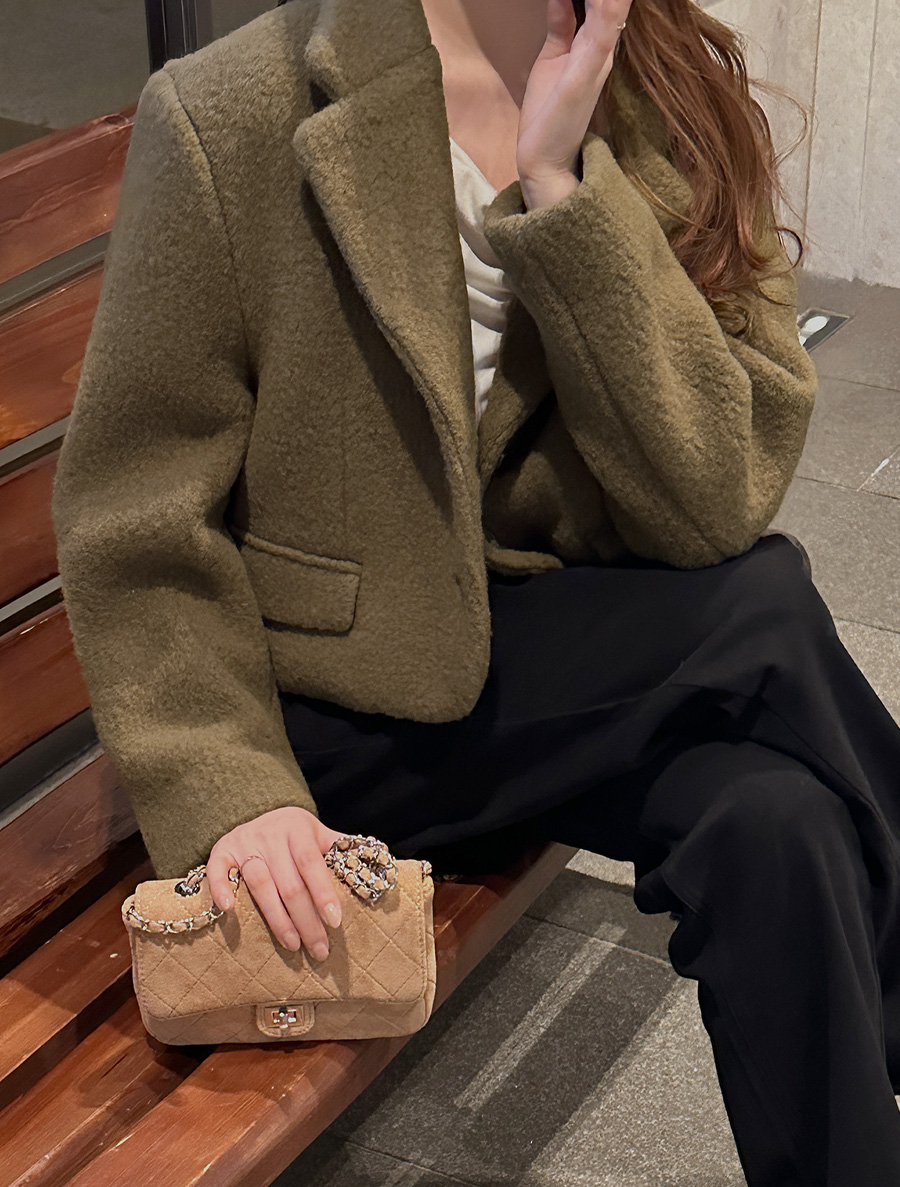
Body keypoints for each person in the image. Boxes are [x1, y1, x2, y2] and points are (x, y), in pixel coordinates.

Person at [50, 0, 900, 1181]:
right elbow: (132, 516)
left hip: (567, 687)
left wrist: (563, 186)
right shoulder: (234, 112)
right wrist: (232, 790)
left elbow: (716, 502)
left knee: (775, 822)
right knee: (764, 607)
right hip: (334, 722)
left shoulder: (673, 94)